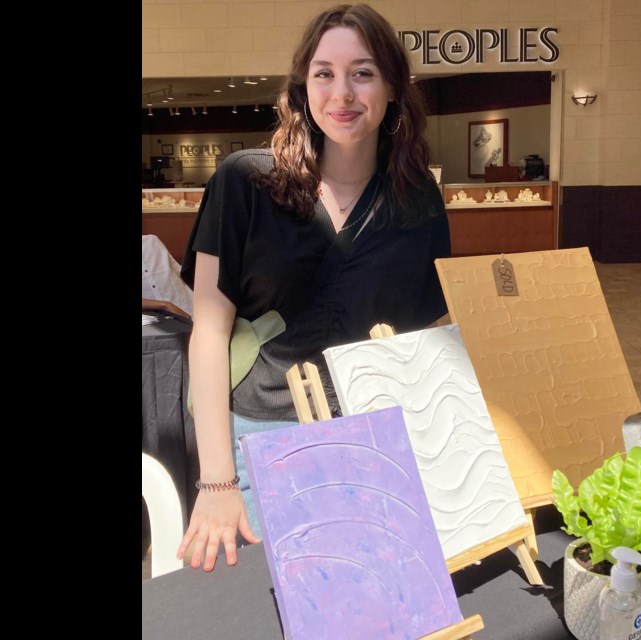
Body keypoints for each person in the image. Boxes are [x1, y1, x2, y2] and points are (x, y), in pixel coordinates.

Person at [176, 3, 451, 572]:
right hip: (257, 440)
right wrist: (218, 481)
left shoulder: (418, 198)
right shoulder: (245, 182)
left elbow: (427, 337)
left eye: (363, 72)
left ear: (394, 87)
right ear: (303, 86)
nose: (342, 93)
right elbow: (207, 331)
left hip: (368, 442)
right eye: (324, 73)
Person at [142, 234, 194, 319]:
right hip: (159, 321)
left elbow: (181, 272)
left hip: (188, 305)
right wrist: (165, 305)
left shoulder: (152, 240)